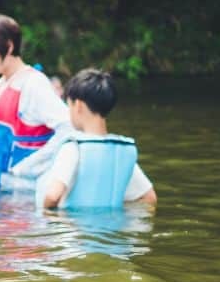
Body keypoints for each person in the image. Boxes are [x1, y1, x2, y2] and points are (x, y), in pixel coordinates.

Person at [0, 14, 71, 184]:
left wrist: (28, 167)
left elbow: (69, 128)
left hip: (27, 192)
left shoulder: (33, 85)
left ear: (8, 47)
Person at [37, 69, 156, 209]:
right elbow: (149, 198)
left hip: (73, 229)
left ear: (78, 105)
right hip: (110, 229)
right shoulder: (123, 150)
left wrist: (49, 217)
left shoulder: (73, 147)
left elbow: (52, 196)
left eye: (69, 106)